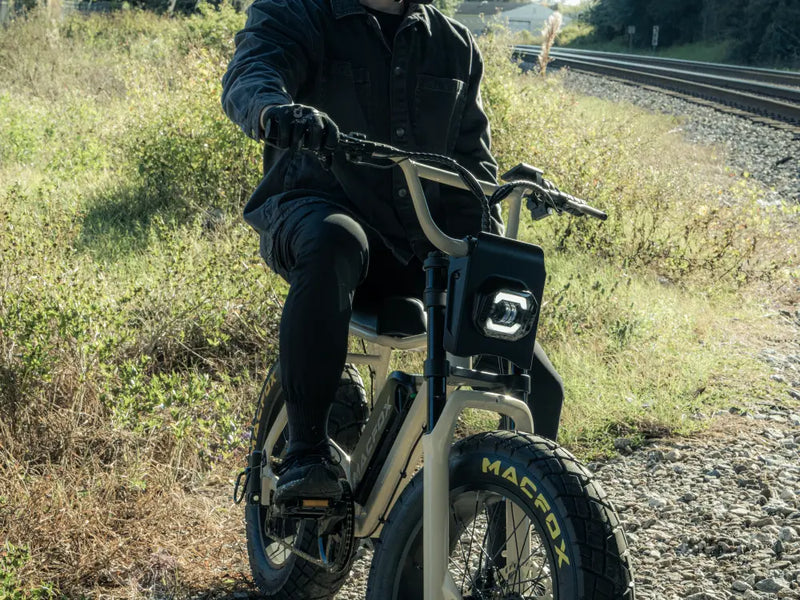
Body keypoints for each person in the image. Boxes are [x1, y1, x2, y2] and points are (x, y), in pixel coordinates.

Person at [221, 0, 565, 506]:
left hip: (419, 244)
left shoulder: (452, 44)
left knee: (538, 381)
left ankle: (510, 535)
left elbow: (470, 166)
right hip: (316, 213)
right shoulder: (297, 12)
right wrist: (276, 111)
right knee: (337, 240)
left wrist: (497, 201)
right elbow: (251, 73)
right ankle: (305, 456)